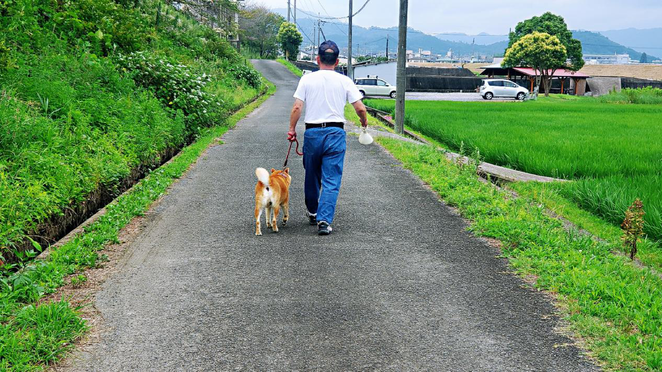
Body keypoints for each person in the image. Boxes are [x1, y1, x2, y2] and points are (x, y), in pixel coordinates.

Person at [288, 40, 368, 235]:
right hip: (335, 133)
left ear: (317, 59)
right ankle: (324, 221)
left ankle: (313, 211)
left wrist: (291, 128)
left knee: (311, 174)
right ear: (337, 61)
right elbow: (359, 107)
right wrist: (364, 122)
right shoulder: (345, 81)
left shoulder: (307, 79)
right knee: (331, 179)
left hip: (312, 133)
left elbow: (297, 107)